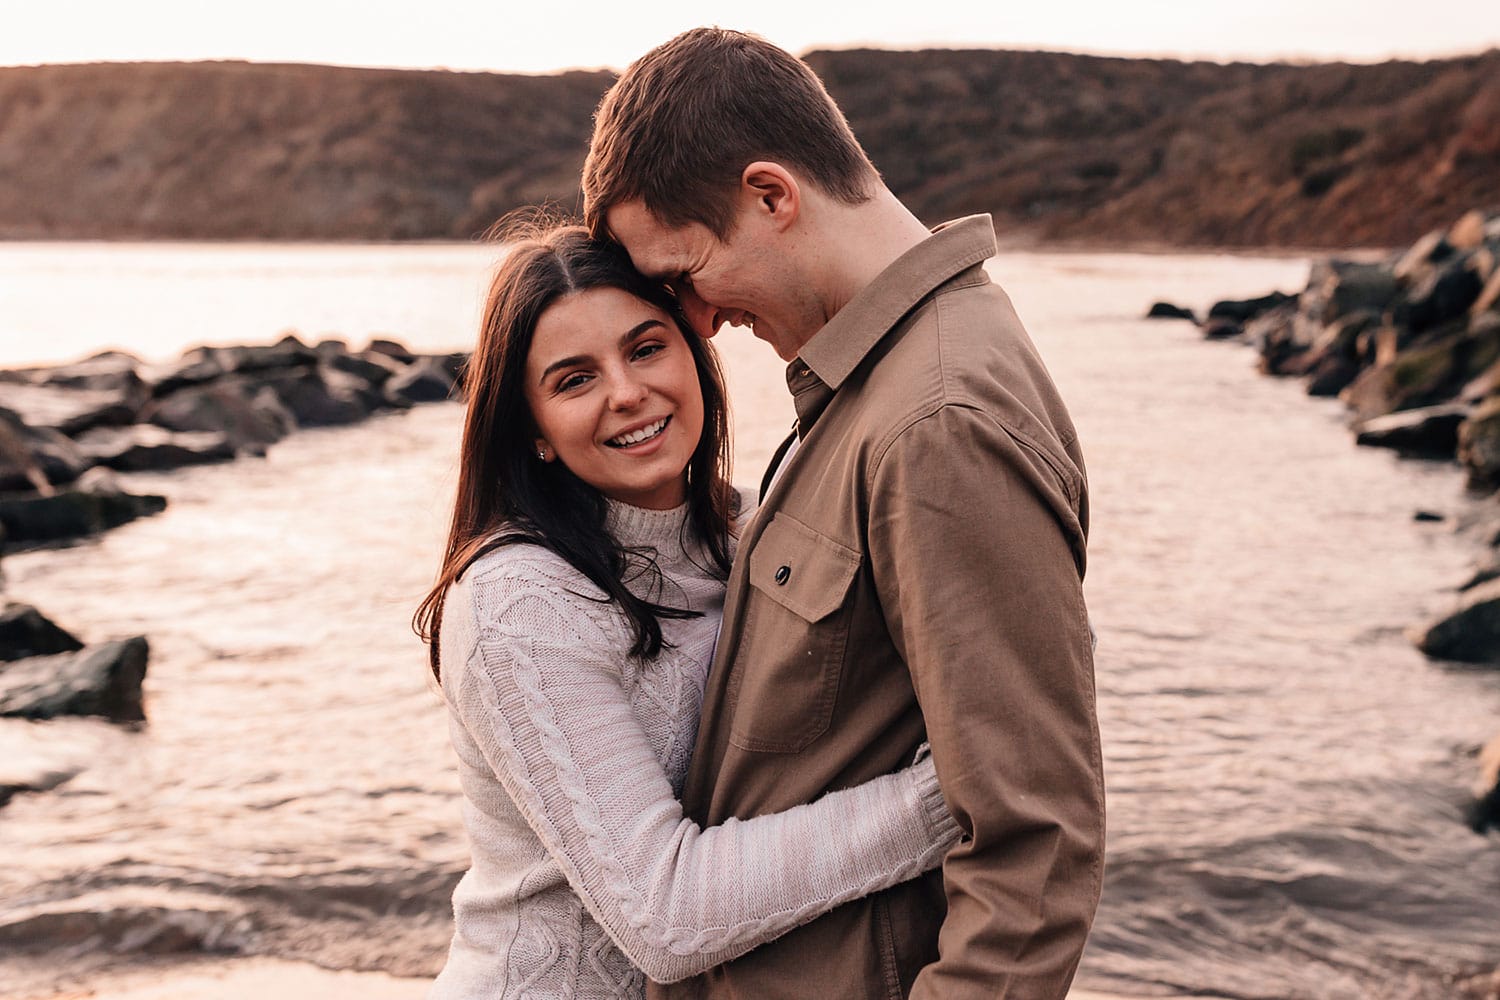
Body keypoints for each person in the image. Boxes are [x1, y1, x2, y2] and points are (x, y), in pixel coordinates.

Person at [583, 28, 1105, 999]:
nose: (695, 321)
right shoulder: (876, 387)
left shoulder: (936, 421)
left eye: (686, 273)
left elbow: (1033, 849)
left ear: (772, 195)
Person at [414, 221, 962, 999]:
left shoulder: (761, 532)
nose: (628, 392)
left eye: (645, 348)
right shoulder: (519, 602)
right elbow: (663, 916)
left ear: (694, 357)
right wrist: (947, 799)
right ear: (533, 432)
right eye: (574, 380)